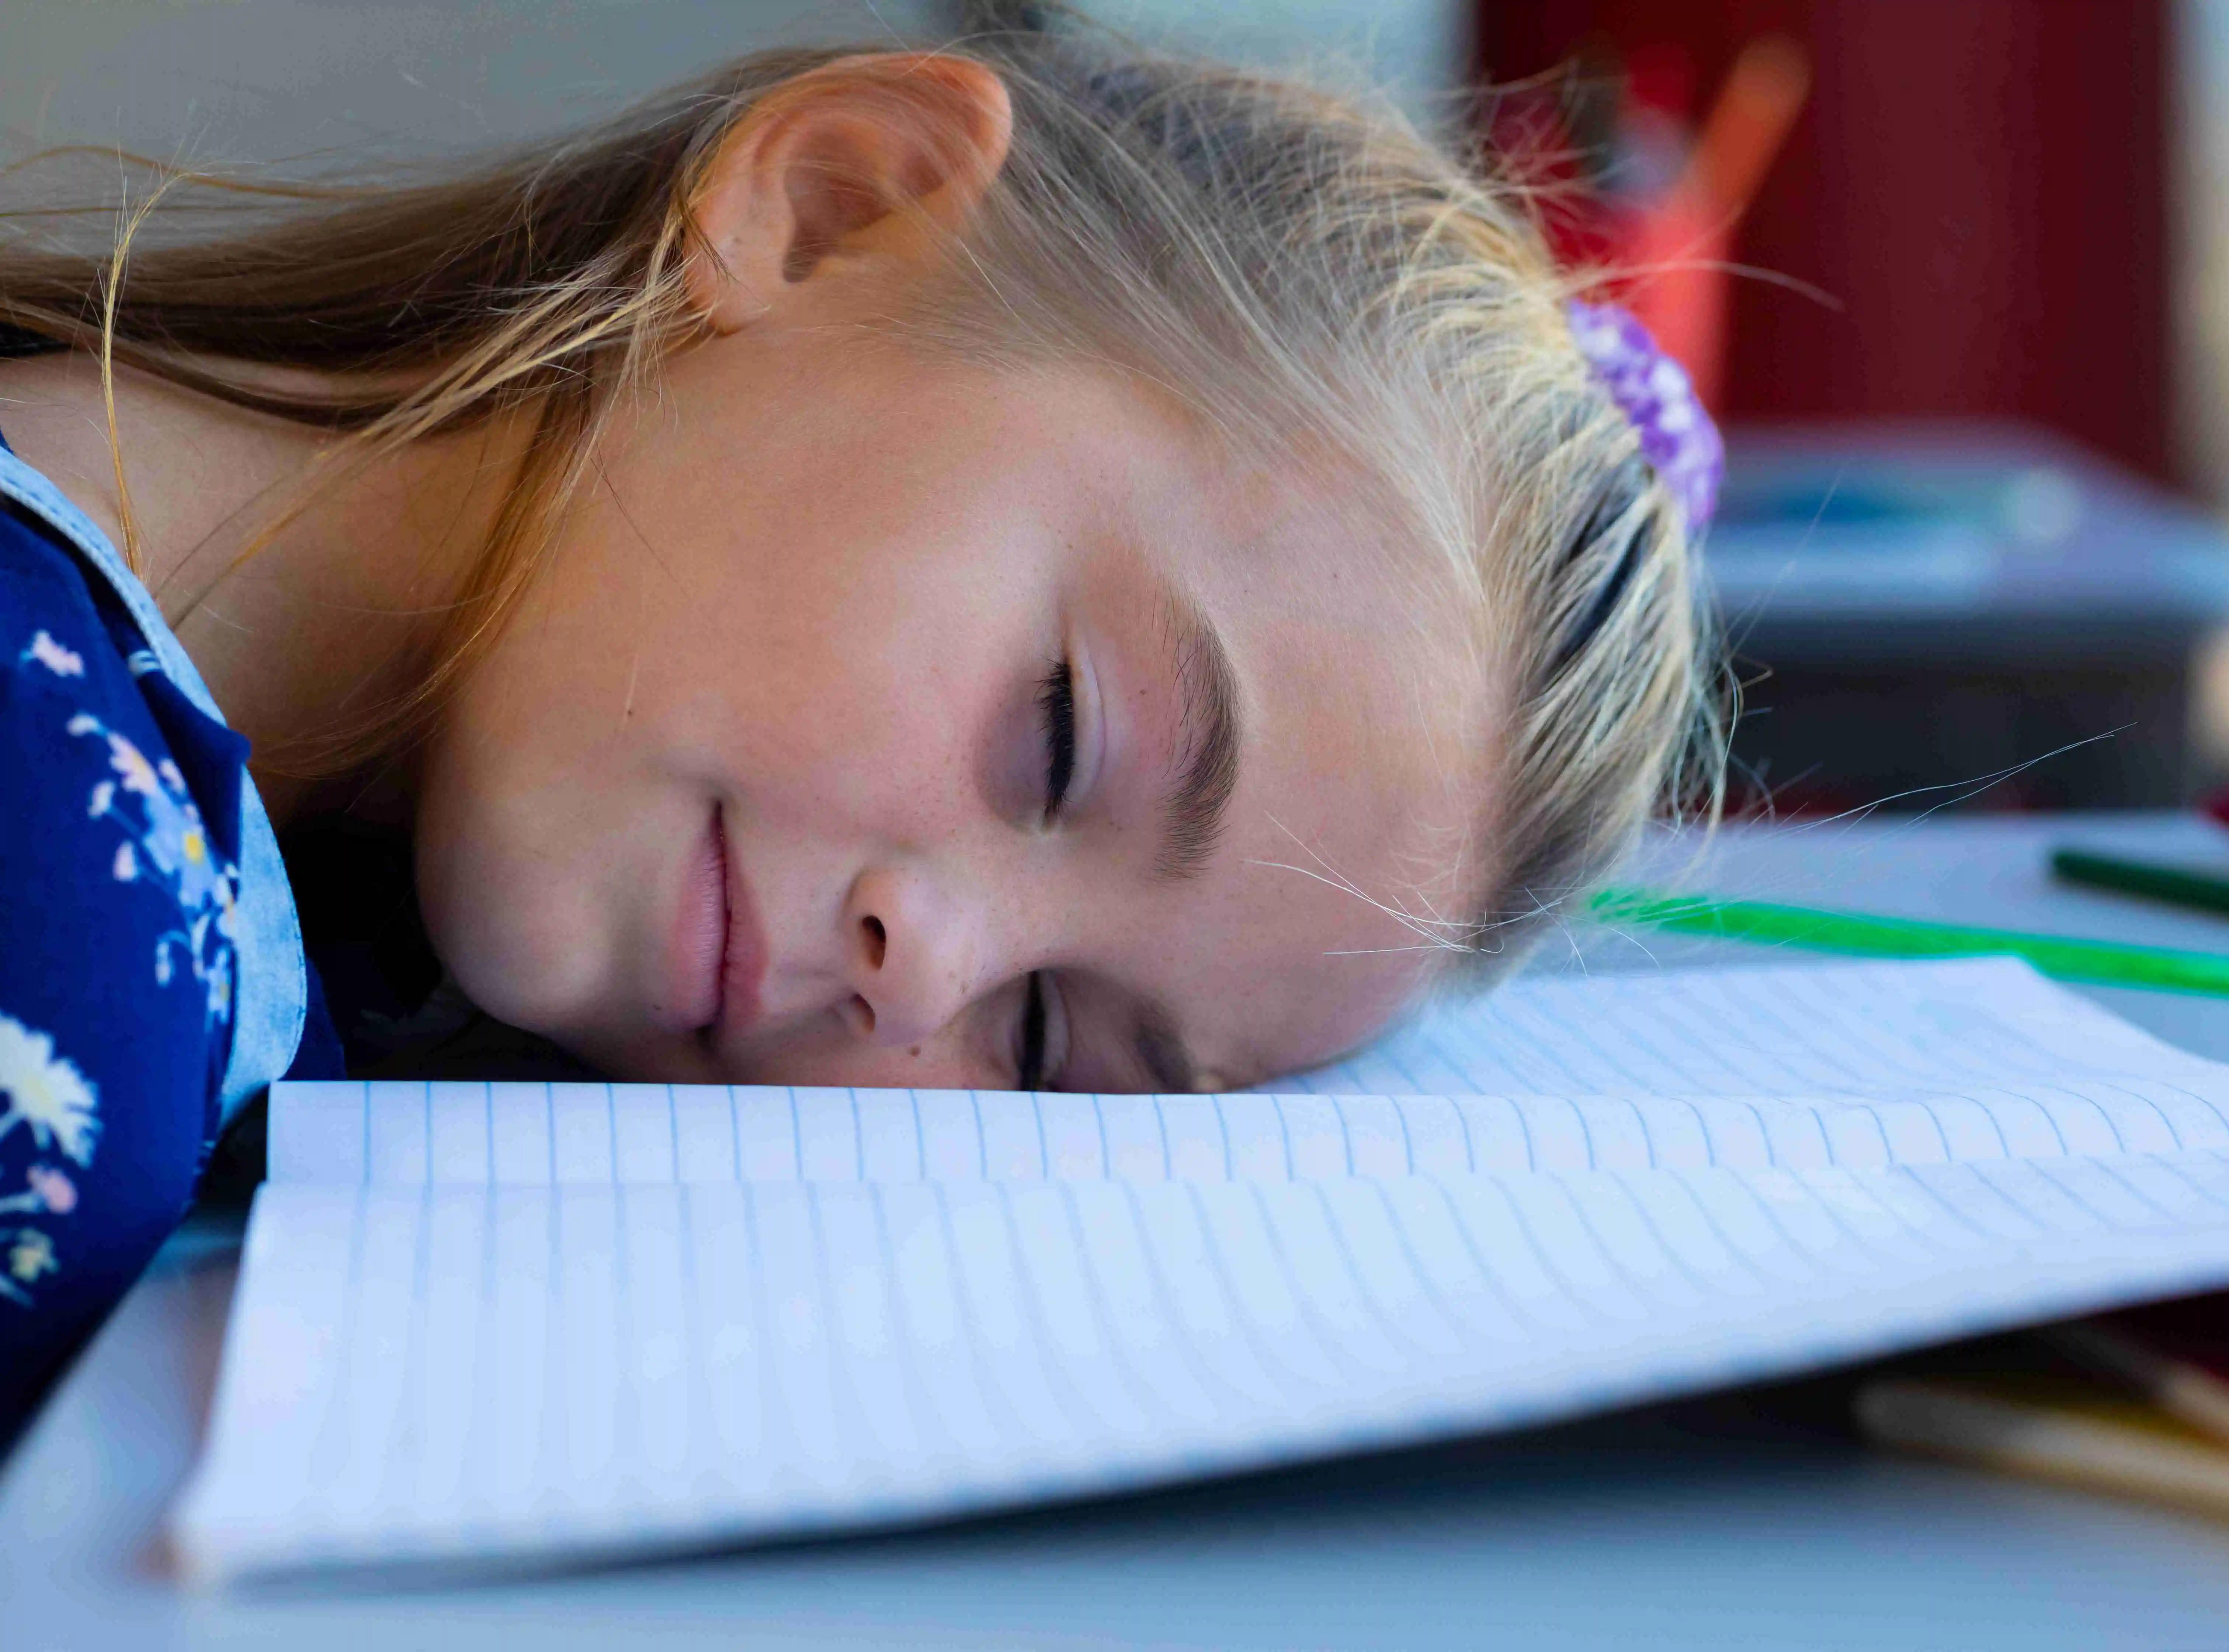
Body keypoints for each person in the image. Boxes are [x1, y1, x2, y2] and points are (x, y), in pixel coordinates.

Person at [0, 24, 1719, 1426]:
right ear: (836, 209)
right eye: (1056, 737)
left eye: (1049, 1044)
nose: (931, 971)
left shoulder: (344, 967)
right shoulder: (79, 959)